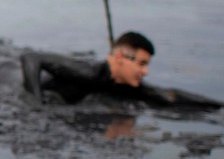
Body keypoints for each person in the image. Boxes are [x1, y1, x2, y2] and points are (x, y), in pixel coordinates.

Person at [20, 31, 221, 108]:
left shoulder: (128, 85)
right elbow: (30, 58)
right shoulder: (88, 71)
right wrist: (36, 103)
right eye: (141, 64)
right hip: (4, 75)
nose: (145, 72)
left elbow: (170, 96)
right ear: (120, 58)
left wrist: (219, 105)